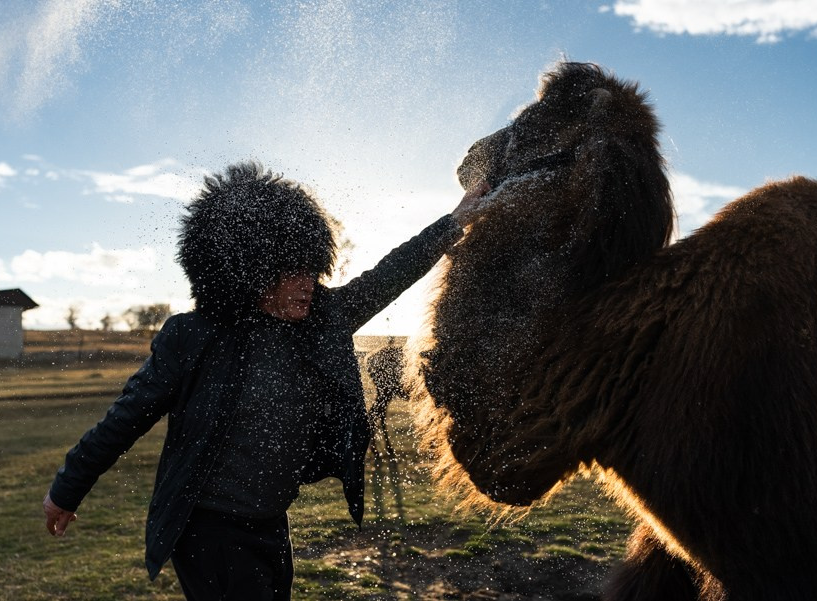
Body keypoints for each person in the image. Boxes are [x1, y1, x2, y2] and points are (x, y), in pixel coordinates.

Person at [43, 161, 490, 600]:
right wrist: (66, 490)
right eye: (290, 272)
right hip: (206, 529)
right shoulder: (192, 337)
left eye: (311, 269)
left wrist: (455, 222)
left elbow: (389, 275)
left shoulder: (321, 321)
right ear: (246, 272)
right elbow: (124, 420)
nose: (307, 284)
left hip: (271, 522)